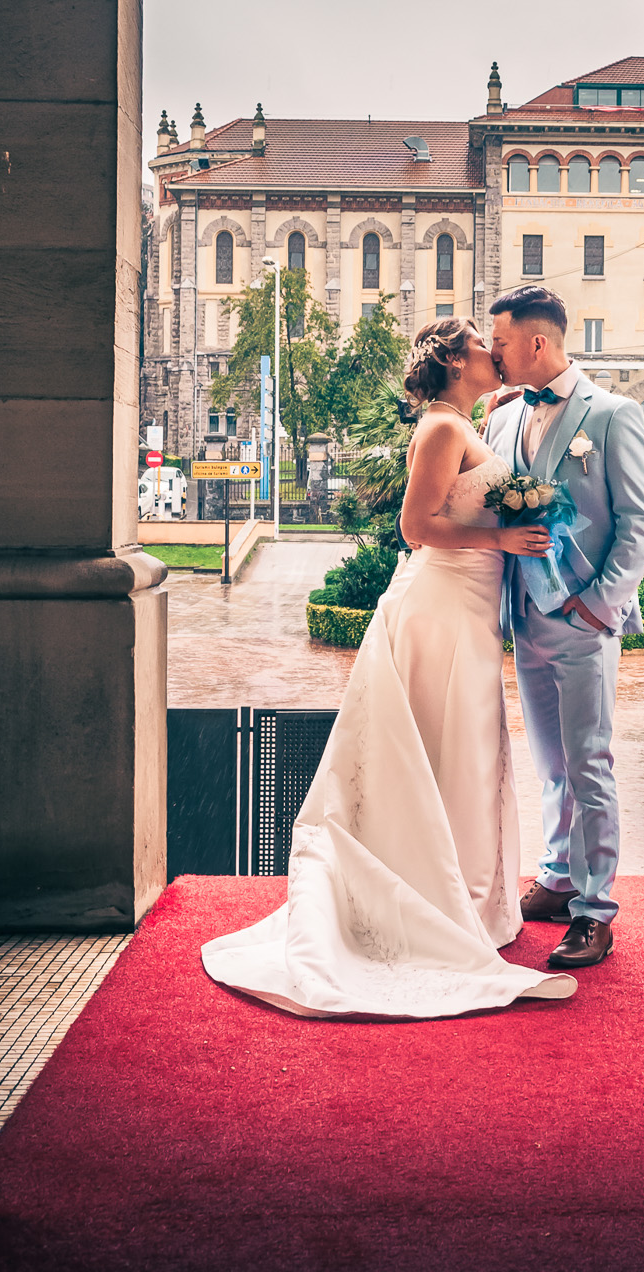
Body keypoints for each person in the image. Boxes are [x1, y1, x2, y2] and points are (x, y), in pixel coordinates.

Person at [200, 318, 576, 1019]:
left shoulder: (465, 418)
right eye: (481, 345)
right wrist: (503, 535)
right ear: (456, 361)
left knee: (462, 750)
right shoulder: (439, 431)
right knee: (454, 748)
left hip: (468, 603)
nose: (493, 353)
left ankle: (459, 894)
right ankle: (438, 901)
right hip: (442, 605)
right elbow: (415, 526)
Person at [485, 286, 644, 970]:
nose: (495, 355)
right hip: (524, 617)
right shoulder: (501, 419)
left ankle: (595, 913)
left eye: (501, 343)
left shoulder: (614, 416)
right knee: (550, 764)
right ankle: (557, 878)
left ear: (537, 344)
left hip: (585, 623)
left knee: (590, 762)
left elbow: (640, 522)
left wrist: (599, 604)